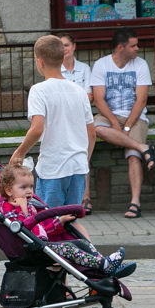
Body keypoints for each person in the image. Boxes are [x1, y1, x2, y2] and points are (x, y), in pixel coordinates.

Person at [0, 165, 133, 276]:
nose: (29, 191)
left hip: (42, 244)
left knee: (82, 243)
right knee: (69, 248)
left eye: (31, 186)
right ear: (9, 191)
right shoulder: (6, 208)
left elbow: (41, 230)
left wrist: (58, 222)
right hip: (30, 250)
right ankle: (104, 265)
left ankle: (103, 267)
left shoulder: (31, 207)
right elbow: (19, 229)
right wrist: (23, 209)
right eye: (23, 187)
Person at [9, 35, 95, 209]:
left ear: (39, 62)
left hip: (53, 168)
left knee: (48, 220)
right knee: (70, 220)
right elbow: (91, 133)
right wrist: (84, 160)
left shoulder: (38, 91)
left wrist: (19, 153)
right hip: (78, 167)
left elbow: (37, 128)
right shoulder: (79, 91)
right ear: (63, 58)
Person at [88, 28, 155, 219]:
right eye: (133, 45)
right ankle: (144, 147)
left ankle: (135, 203)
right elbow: (99, 100)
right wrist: (114, 123)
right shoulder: (101, 65)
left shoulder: (140, 65)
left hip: (135, 117)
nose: (137, 48)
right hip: (109, 115)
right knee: (95, 127)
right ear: (121, 47)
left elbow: (141, 100)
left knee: (133, 156)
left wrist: (126, 126)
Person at [58, 32, 94, 213]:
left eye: (66, 45)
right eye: (61, 46)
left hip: (81, 118)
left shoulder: (84, 69)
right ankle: (71, 201)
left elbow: (89, 94)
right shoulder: (55, 70)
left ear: (73, 47)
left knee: (82, 157)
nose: (64, 49)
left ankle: (84, 198)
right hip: (64, 120)